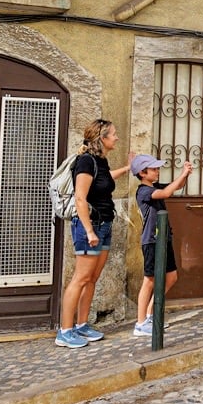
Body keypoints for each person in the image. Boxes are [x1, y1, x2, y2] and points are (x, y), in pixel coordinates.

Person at [56, 119, 132, 349]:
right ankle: (65, 331)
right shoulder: (86, 161)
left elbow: (105, 180)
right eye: (114, 134)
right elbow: (80, 198)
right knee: (80, 278)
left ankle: (81, 325)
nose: (117, 137)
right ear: (102, 138)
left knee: (91, 279)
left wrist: (128, 168)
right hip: (90, 226)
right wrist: (89, 231)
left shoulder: (100, 161)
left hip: (104, 224)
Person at [131, 153, 193, 337]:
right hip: (151, 241)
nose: (157, 172)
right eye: (154, 169)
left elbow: (175, 187)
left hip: (164, 238)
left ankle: (150, 313)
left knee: (171, 277)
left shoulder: (154, 186)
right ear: (142, 173)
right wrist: (182, 174)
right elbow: (166, 193)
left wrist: (185, 174)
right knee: (149, 280)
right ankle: (140, 323)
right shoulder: (143, 191)